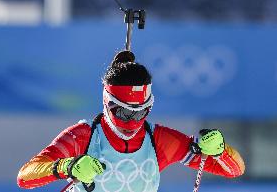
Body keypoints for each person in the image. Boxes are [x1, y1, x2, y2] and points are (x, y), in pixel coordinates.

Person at [17, 51, 245, 192]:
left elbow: (235, 170)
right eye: (125, 113)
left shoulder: (159, 140)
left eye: (142, 112)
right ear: (107, 103)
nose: (133, 121)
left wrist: (219, 150)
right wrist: (67, 166)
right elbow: (25, 176)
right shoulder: (83, 136)